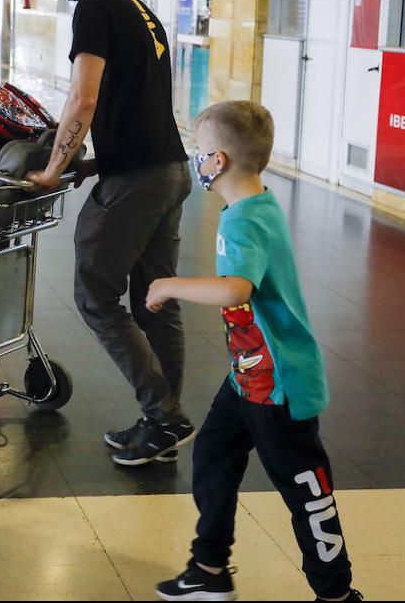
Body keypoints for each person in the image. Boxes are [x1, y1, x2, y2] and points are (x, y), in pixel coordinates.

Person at [146, 101, 362, 603]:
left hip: (279, 382)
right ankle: (208, 568)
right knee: (214, 453)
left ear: (218, 161)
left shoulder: (244, 222)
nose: (197, 161)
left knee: (307, 492)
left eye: (200, 152)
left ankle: (337, 594)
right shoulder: (253, 206)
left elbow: (237, 290)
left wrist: (168, 284)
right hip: (249, 377)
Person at [26, 0, 193, 466]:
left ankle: (164, 415)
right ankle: (161, 425)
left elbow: (84, 97)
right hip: (167, 168)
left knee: (94, 294)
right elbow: (137, 105)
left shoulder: (93, 8)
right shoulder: (142, 12)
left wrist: (55, 167)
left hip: (137, 183)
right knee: (155, 298)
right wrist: (97, 159)